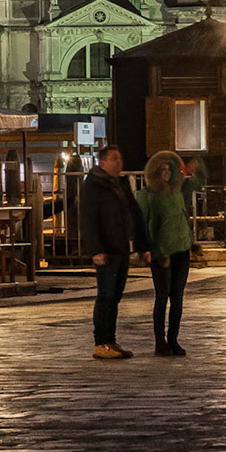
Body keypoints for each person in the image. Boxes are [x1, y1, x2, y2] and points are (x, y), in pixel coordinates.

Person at [79, 146, 150, 360]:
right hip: (107, 248)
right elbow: (89, 219)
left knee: (116, 295)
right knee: (106, 295)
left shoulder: (120, 184)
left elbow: (134, 213)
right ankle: (101, 342)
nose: (119, 163)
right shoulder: (94, 185)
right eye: (114, 159)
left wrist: (143, 244)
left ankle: (110, 340)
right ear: (102, 162)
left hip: (121, 247)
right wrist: (96, 250)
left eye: (120, 158)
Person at [139, 151, 194, 357]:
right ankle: (159, 340)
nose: (167, 173)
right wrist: (147, 249)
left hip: (181, 250)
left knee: (177, 297)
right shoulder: (147, 195)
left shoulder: (176, 193)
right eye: (162, 169)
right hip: (161, 252)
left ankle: (173, 339)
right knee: (162, 296)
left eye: (169, 170)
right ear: (155, 172)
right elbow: (142, 224)